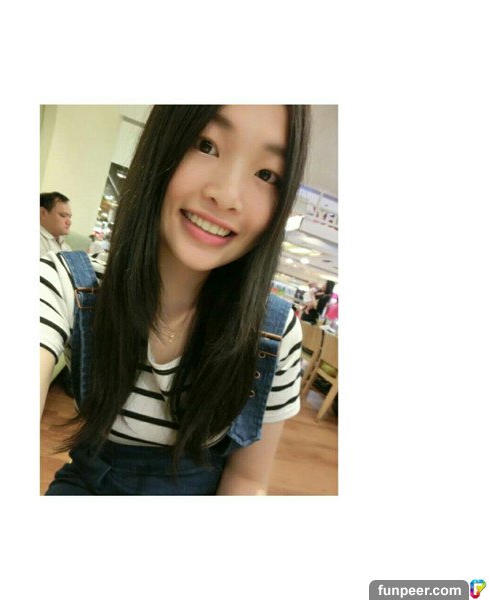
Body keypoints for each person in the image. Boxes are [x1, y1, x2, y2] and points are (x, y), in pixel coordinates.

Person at [40, 105, 310, 495]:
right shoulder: (71, 286)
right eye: (206, 145)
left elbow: (248, 479)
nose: (226, 196)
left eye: (266, 174)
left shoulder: (272, 334)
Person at [40, 191, 72, 256]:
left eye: (69, 217)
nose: (69, 222)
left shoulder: (66, 247)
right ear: (43, 213)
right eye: (63, 215)